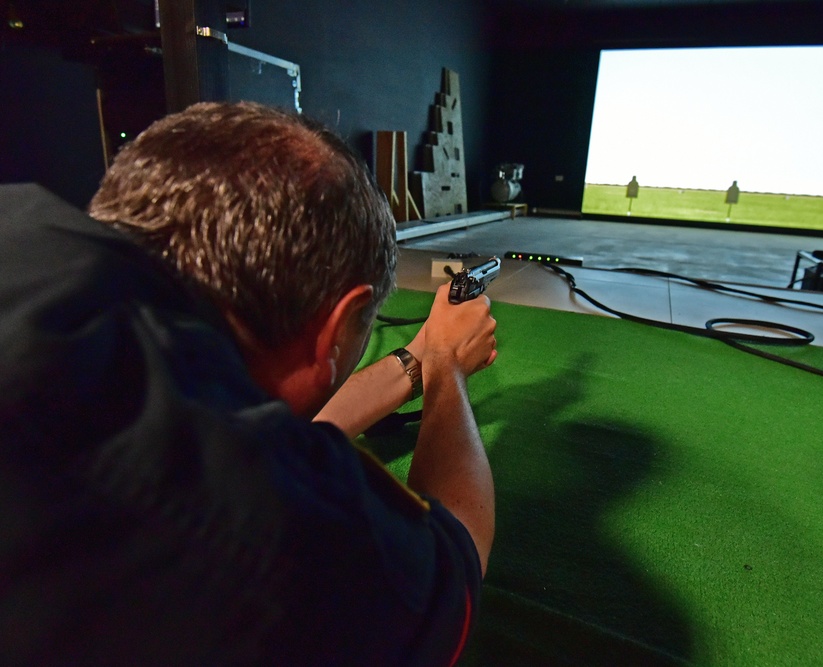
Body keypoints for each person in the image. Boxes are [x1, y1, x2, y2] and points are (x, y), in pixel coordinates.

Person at [0, 101, 497, 665]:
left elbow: (249, 425)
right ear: (332, 330)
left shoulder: (31, 234)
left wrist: (421, 356)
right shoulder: (230, 510)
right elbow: (451, 569)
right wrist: (448, 369)